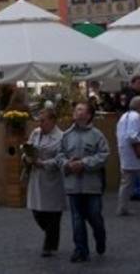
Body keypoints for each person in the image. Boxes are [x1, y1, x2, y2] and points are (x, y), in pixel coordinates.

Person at [56, 102, 109, 264]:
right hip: (73, 185)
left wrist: (84, 163)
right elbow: (59, 155)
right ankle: (81, 250)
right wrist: (67, 164)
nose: (76, 112)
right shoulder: (66, 135)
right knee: (77, 219)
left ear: (88, 115)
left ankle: (100, 237)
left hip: (92, 185)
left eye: (80, 109)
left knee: (95, 216)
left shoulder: (97, 135)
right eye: (76, 109)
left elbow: (104, 155)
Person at [24, 107, 65, 257]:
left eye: (43, 120)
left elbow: (61, 158)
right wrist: (26, 157)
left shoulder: (61, 137)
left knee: (53, 213)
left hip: (52, 179)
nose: (40, 123)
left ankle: (49, 244)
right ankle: (51, 236)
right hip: (36, 177)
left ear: (53, 120)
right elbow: (27, 149)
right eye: (39, 120)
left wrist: (45, 163)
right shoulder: (35, 133)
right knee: (37, 211)